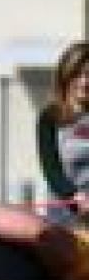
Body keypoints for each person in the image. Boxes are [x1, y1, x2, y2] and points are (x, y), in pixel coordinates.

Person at [34, 40, 89, 222]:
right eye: (77, 74)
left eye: (88, 74)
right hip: (65, 218)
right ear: (66, 76)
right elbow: (52, 169)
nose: (84, 82)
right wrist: (74, 196)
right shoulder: (49, 118)